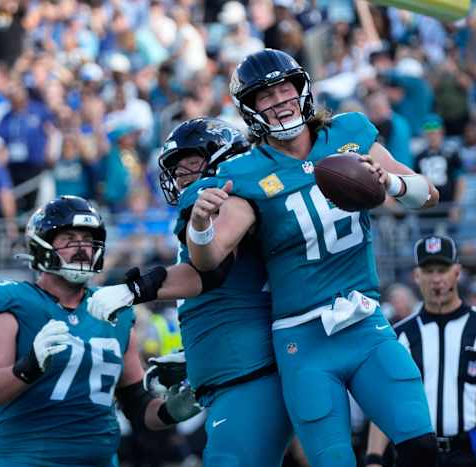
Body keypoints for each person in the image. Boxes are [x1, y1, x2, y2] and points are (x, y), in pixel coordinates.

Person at [186, 49, 440, 467]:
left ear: (302, 89)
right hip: (302, 341)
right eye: (265, 96)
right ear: (250, 109)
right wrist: (200, 225)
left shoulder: (348, 133)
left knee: (422, 447)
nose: (278, 101)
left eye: (284, 89)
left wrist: (390, 183)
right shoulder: (247, 172)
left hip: (365, 322)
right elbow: (208, 259)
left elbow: (429, 195)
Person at [87, 118, 293, 466]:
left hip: (248, 368)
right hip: (237, 363)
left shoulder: (232, 203)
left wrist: (133, 289)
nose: (182, 176)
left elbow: (208, 273)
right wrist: (195, 355)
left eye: (192, 163)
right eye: (177, 169)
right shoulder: (215, 210)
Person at [0, 195, 200, 467]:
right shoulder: (13, 300)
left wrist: (170, 411)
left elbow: (137, 404)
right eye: (68, 239)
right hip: (27, 460)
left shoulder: (113, 308)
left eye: (87, 240)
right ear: (41, 245)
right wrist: (29, 367)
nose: (81, 248)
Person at [366, 235, 476, 467]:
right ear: (416, 275)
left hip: (471, 449)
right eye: (428, 271)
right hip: (416, 451)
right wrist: (373, 457)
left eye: (442, 270)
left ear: (457, 271)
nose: (436, 279)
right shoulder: (399, 335)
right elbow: (386, 399)